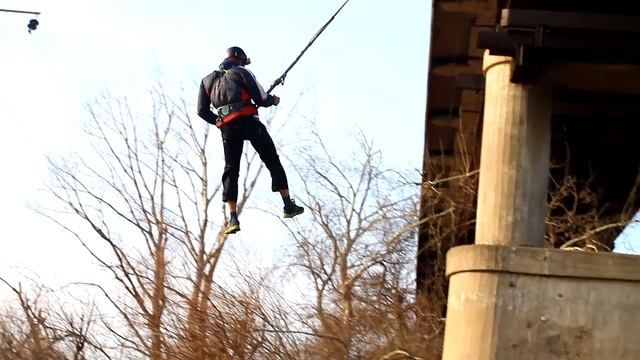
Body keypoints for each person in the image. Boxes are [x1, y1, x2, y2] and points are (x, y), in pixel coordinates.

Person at [197, 46, 304, 234]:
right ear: (239, 60)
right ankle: (287, 204)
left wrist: (218, 121)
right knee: (271, 159)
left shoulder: (207, 81)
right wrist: (273, 100)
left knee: (231, 169)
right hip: (249, 122)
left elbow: (201, 110)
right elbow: (260, 98)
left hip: (228, 129)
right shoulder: (241, 72)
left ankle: (232, 218)